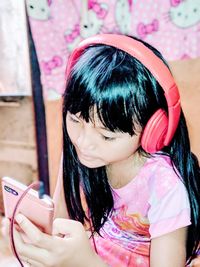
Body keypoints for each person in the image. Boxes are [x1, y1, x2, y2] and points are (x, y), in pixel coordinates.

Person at [1, 33, 200, 267]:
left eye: (107, 135)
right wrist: (36, 237)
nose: (84, 143)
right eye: (75, 120)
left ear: (152, 131)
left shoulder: (166, 186)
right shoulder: (85, 152)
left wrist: (85, 262)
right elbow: (59, 220)